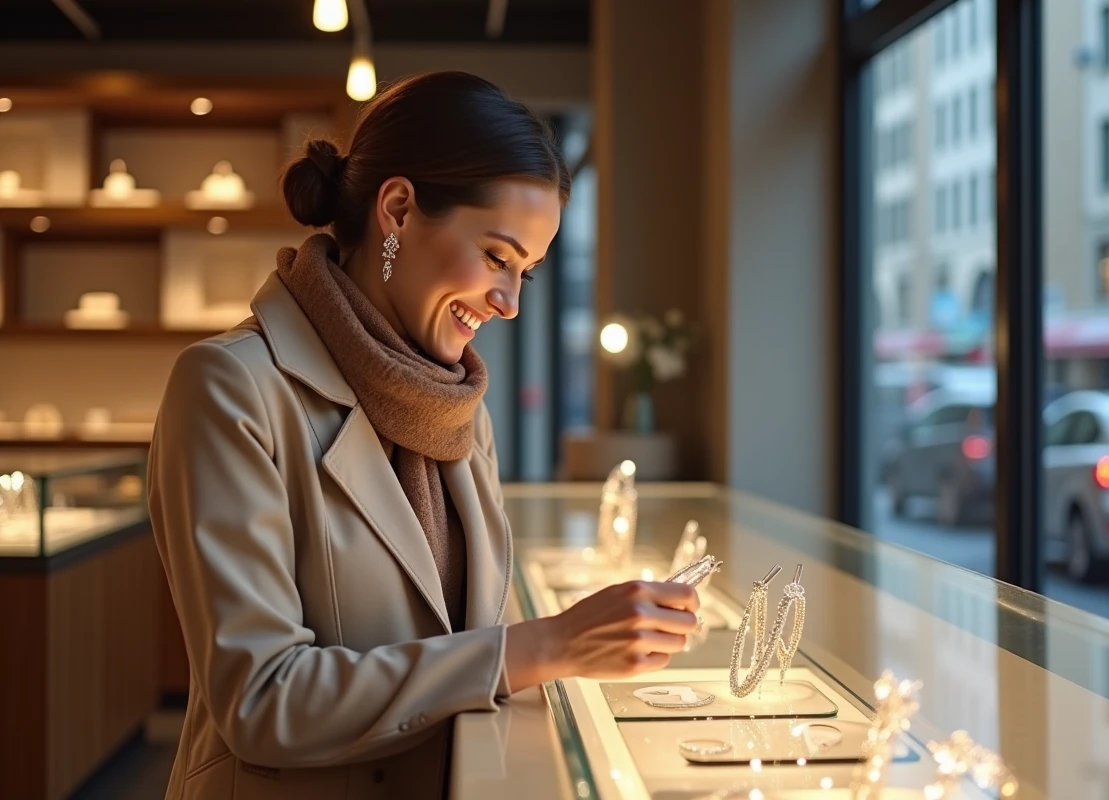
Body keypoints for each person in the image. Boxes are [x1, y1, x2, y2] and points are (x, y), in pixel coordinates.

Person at [147, 71, 700, 800]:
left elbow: (468, 638)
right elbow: (263, 699)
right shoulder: (229, 388)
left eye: (526, 275)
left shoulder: (460, 410)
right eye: (499, 257)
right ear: (400, 209)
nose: (507, 303)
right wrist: (547, 645)